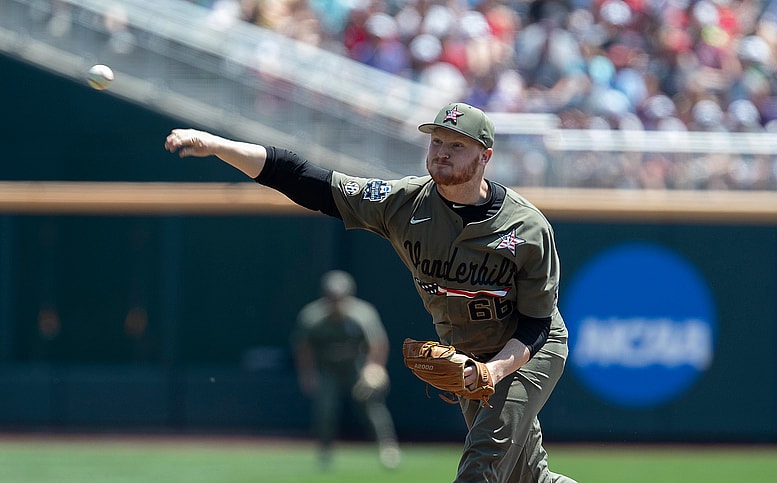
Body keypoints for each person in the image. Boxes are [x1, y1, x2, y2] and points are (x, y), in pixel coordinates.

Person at [165, 102, 577, 482]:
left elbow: (537, 323)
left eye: (457, 145)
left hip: (526, 353)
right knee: (529, 478)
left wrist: (493, 371)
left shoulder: (526, 227)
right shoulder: (403, 204)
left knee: (482, 461)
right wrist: (218, 145)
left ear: (485, 156)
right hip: (468, 354)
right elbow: (304, 178)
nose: (442, 152)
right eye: (436, 141)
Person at [291, 269, 401, 470]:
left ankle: (388, 448)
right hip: (328, 368)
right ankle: (324, 451)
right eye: (331, 298)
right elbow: (303, 348)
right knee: (325, 409)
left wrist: (374, 368)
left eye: (340, 297)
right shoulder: (312, 317)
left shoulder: (362, 315)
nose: (336, 303)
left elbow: (378, 343)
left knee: (372, 406)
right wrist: (308, 374)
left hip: (356, 366)